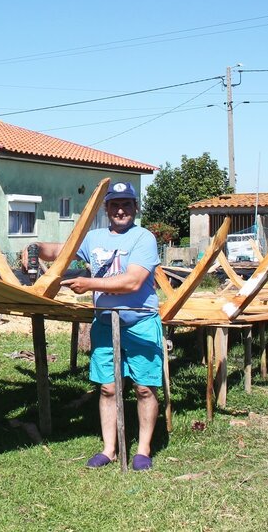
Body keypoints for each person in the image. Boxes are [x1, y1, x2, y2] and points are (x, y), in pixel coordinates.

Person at [21, 180, 162, 471]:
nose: (120, 210)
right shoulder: (93, 237)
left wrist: (88, 284)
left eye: (125, 204)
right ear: (107, 208)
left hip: (140, 322)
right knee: (108, 389)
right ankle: (109, 449)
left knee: (145, 389)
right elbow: (61, 250)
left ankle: (143, 450)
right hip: (104, 323)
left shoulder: (143, 238)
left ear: (135, 208)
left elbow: (132, 281)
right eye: (114, 205)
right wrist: (35, 247)